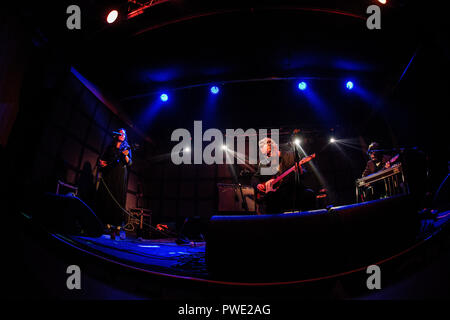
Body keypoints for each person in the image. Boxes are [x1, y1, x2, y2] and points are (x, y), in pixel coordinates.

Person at [251, 137, 315, 214]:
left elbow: (304, 174)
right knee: (269, 198)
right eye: (265, 155)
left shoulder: (291, 156)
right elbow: (255, 177)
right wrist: (258, 184)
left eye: (269, 153)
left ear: (275, 147)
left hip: (292, 190)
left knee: (309, 194)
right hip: (277, 193)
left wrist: (300, 171)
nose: (267, 156)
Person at [96, 129, 132, 227]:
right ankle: (104, 222)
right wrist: (101, 163)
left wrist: (125, 156)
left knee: (117, 195)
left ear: (125, 137)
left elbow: (129, 163)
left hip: (120, 173)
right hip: (109, 173)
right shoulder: (110, 147)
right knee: (106, 195)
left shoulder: (127, 147)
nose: (122, 135)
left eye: (123, 134)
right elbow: (103, 160)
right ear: (116, 135)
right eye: (120, 133)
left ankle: (116, 223)